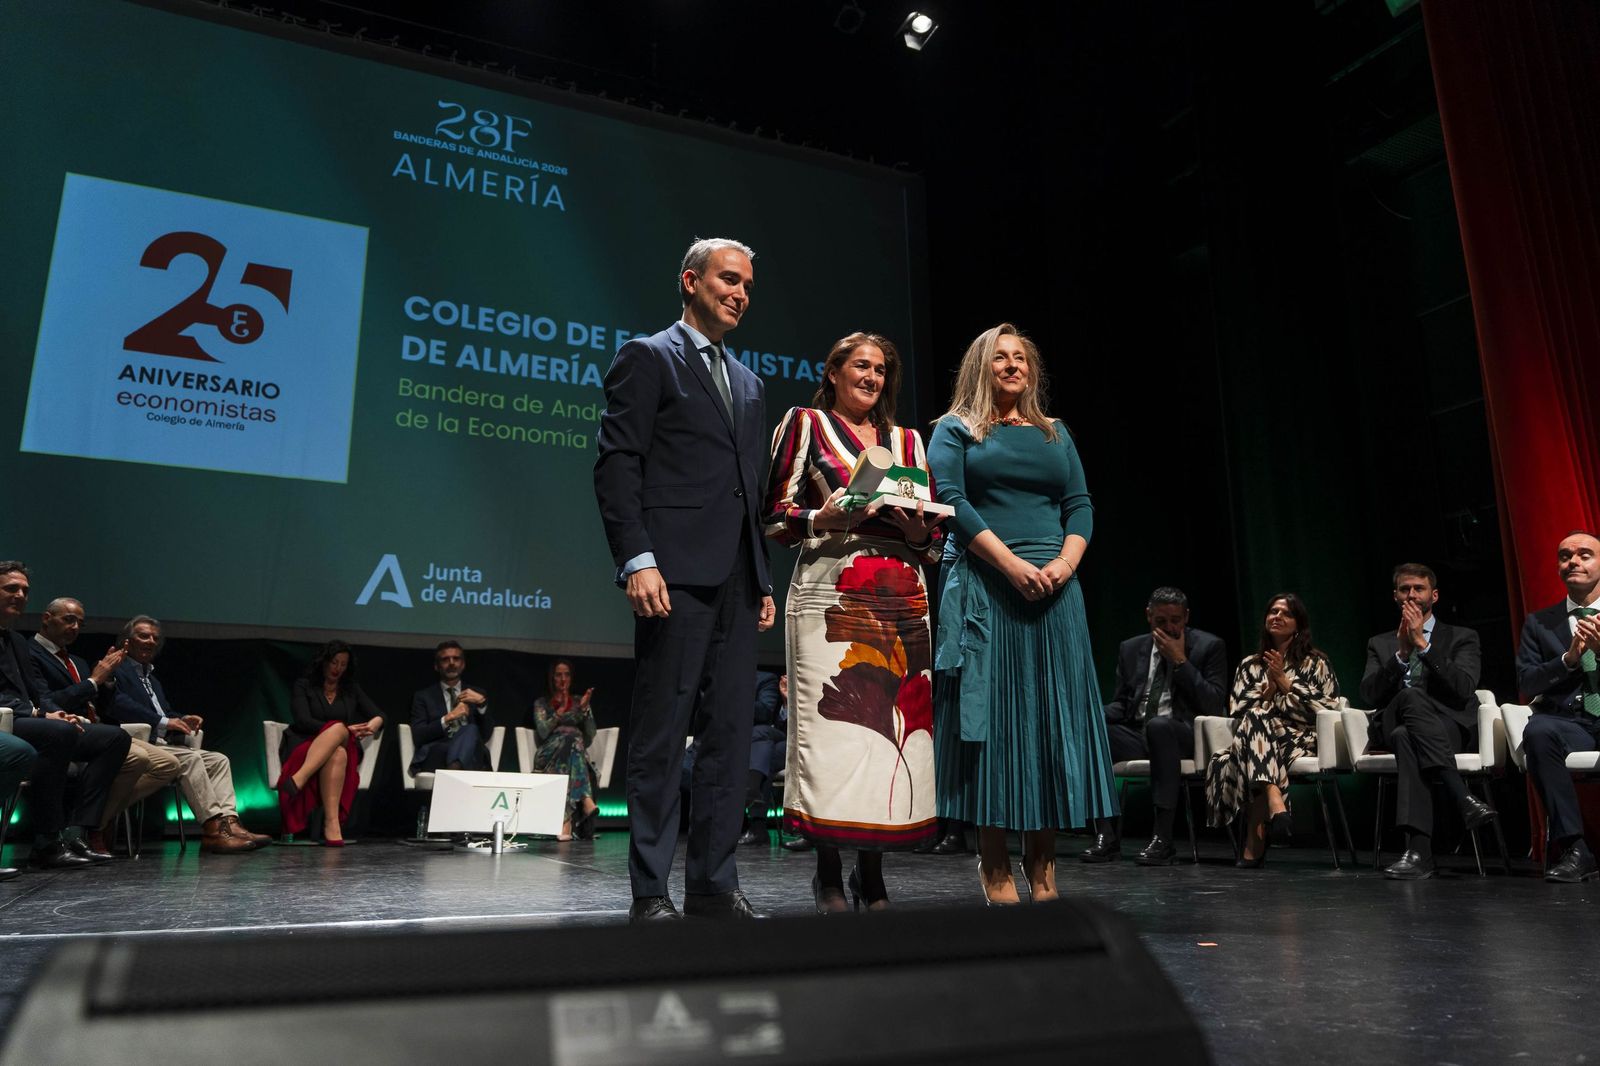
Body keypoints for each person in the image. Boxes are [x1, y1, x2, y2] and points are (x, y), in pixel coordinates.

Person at [593, 236, 775, 922]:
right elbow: (617, 466)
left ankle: (712, 884)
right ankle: (650, 891)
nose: (740, 293)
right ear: (690, 281)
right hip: (671, 574)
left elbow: (746, 491)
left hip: (734, 579)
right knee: (662, 733)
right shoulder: (648, 357)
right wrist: (637, 558)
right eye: (728, 279)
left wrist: (760, 578)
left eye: (748, 286)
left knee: (730, 737)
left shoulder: (752, 385)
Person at [926, 323, 1117, 905]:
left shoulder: (1055, 433)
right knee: (992, 724)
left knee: (1048, 724)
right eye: (1000, 358)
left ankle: (1044, 866)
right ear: (980, 368)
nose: (1012, 366)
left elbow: (1079, 505)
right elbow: (951, 502)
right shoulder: (955, 430)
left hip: (1056, 590)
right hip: (988, 585)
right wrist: (1010, 566)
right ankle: (994, 865)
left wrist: (1065, 564)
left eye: (1021, 359)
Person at [763, 330, 944, 912]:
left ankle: (874, 873)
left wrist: (920, 531)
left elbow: (933, 535)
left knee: (890, 731)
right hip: (831, 587)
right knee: (837, 733)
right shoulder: (806, 425)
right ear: (835, 372)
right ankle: (828, 872)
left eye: (881, 370)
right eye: (860, 366)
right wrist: (827, 512)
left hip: (902, 589)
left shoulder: (911, 441)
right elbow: (774, 517)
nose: (871, 377)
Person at [1359, 564, 1490, 880]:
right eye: (1405, 589)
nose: (1411, 594)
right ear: (1395, 596)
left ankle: (1419, 852)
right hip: (1391, 722)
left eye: (1418, 588)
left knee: (1408, 737)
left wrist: (1423, 646)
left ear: (1434, 595)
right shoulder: (1380, 643)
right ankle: (1462, 796)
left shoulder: (1462, 637)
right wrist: (1401, 655)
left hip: (1446, 725)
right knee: (1411, 699)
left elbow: (1463, 688)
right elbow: (1369, 694)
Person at [1084, 586, 1228, 866]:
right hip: (1140, 732)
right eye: (1161, 621)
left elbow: (1213, 704)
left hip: (1184, 735)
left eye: (1175, 620)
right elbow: (1124, 705)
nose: (1169, 627)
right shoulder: (1131, 648)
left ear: (1186, 617)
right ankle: (1106, 835)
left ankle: (1163, 839)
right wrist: (1092, 714)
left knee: (1160, 727)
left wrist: (1180, 660)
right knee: (1094, 729)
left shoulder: (1209, 646)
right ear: (1148, 616)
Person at [0, 561, 131, 869]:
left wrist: (53, 712)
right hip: (7, 719)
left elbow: (37, 695)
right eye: (11, 588)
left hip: (28, 718)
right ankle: (46, 841)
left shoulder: (16, 640)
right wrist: (40, 714)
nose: (20, 595)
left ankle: (76, 831)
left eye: (25, 590)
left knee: (113, 738)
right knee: (59, 734)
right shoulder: (31, 646)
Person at [31, 595, 182, 856]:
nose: (75, 627)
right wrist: (92, 682)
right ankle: (85, 827)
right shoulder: (30, 654)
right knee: (134, 755)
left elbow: (103, 704)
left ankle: (94, 819)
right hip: (60, 730)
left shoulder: (76, 661)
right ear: (46, 618)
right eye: (69, 620)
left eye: (80, 622)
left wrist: (107, 680)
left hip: (94, 730)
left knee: (169, 764)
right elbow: (46, 701)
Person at [106, 615, 268, 854]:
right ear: (127, 642)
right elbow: (119, 704)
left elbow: (164, 712)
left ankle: (230, 824)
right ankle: (213, 830)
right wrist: (165, 721)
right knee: (191, 759)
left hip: (163, 744)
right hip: (138, 744)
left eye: (155, 638)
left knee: (218, 760)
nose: (150, 641)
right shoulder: (117, 670)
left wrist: (182, 719)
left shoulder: (152, 680)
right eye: (143, 635)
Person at [1205, 593, 1340, 867]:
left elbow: (1328, 709)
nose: (1277, 617)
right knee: (1256, 718)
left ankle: (1258, 827)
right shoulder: (1249, 665)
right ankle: (1276, 803)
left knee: (1254, 727)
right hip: (1258, 739)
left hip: (1299, 738)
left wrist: (1285, 683)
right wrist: (1266, 699)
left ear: (1299, 624)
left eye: (1286, 614)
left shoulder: (1317, 663)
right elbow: (1237, 712)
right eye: (1273, 612)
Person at [1516, 530, 1600, 883]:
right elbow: (1528, 683)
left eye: (1584, 554)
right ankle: (1576, 849)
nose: (1574, 561)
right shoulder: (1539, 622)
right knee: (1538, 730)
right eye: (1565, 556)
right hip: (1573, 724)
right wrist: (1567, 659)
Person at [277, 640, 385, 846]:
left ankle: (299, 779)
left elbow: (380, 715)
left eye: (343, 664)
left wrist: (376, 722)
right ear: (324, 662)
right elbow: (302, 720)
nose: (338, 669)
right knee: (337, 751)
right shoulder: (304, 685)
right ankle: (332, 824)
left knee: (339, 735)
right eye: (335, 662)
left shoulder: (350, 689)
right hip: (306, 745)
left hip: (345, 744)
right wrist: (339, 729)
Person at [530, 659, 600, 841]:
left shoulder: (579, 701)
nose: (563, 679)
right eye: (558, 675)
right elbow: (543, 731)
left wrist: (585, 711)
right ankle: (585, 799)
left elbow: (591, 734)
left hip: (572, 754)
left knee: (573, 743)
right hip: (548, 753)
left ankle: (565, 822)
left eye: (566, 674)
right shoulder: (542, 703)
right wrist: (559, 711)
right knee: (571, 739)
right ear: (552, 678)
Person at [408, 641, 493, 775]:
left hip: (472, 755)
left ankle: (453, 771)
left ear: (463, 664)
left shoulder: (477, 695)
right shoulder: (423, 696)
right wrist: (448, 718)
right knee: (469, 731)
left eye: (456, 659)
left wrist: (482, 704)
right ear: (437, 666)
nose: (452, 663)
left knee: (470, 730)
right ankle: (455, 772)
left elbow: (486, 735)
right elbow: (419, 736)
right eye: (445, 660)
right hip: (438, 753)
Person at [738, 670, 787, 846]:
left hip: (790, 744)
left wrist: (787, 703)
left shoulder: (765, 680)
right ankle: (757, 825)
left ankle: (756, 822)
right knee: (764, 755)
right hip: (762, 747)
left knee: (760, 731)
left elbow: (766, 715)